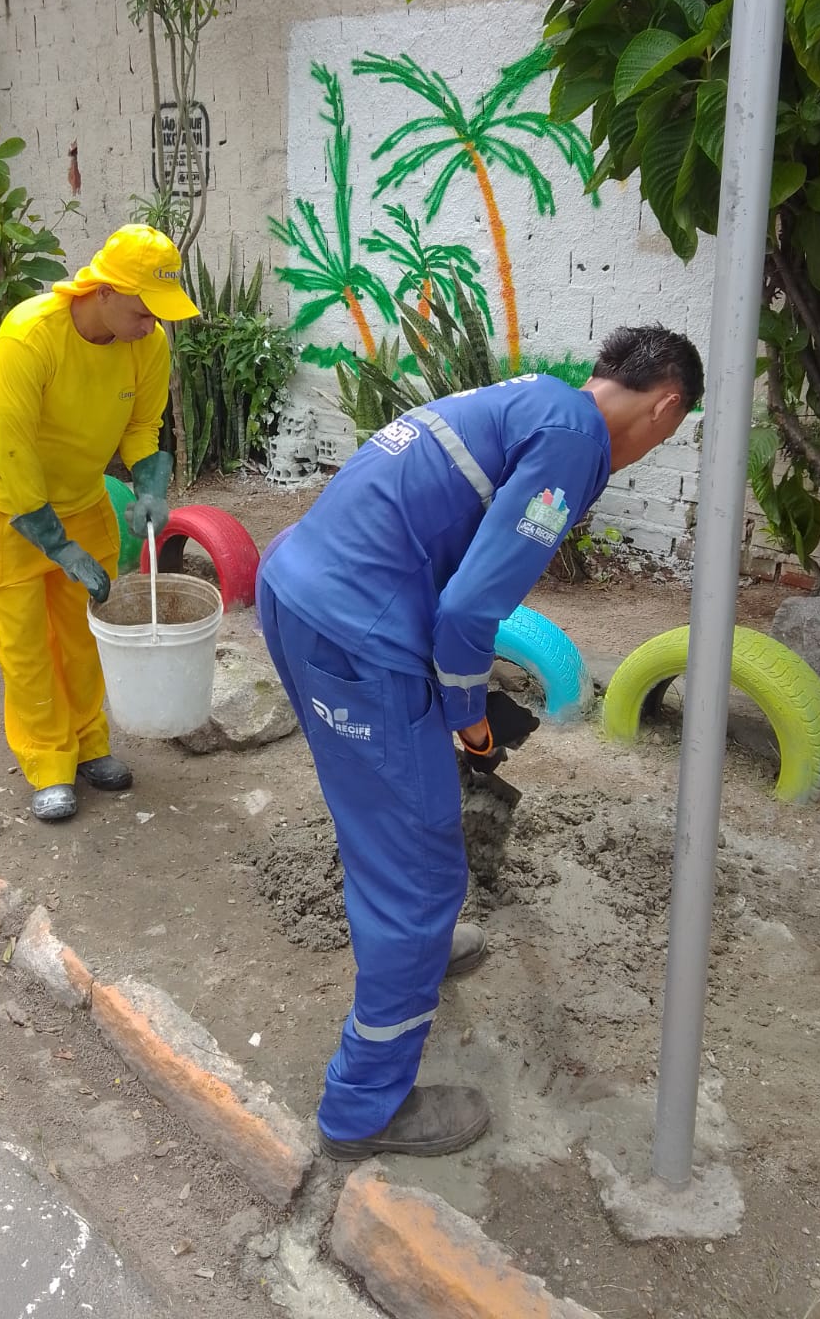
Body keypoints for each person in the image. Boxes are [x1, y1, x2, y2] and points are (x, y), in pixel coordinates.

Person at [256, 325, 704, 1160]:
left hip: (302, 585)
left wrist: (454, 691)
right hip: (355, 630)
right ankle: (362, 1108)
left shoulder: (536, 397)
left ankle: (415, 953)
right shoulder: (575, 443)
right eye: (672, 431)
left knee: (385, 821)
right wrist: (467, 710)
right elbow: (467, 612)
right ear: (667, 406)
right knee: (419, 863)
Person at [0, 224, 199, 823]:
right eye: (145, 310)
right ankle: (47, 761)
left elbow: (143, 428)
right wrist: (54, 544)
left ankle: (91, 745)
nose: (154, 323)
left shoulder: (148, 345)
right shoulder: (30, 335)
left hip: (81, 496)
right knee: (26, 648)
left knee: (84, 633)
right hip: (9, 503)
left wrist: (150, 486)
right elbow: (12, 451)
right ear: (105, 292)